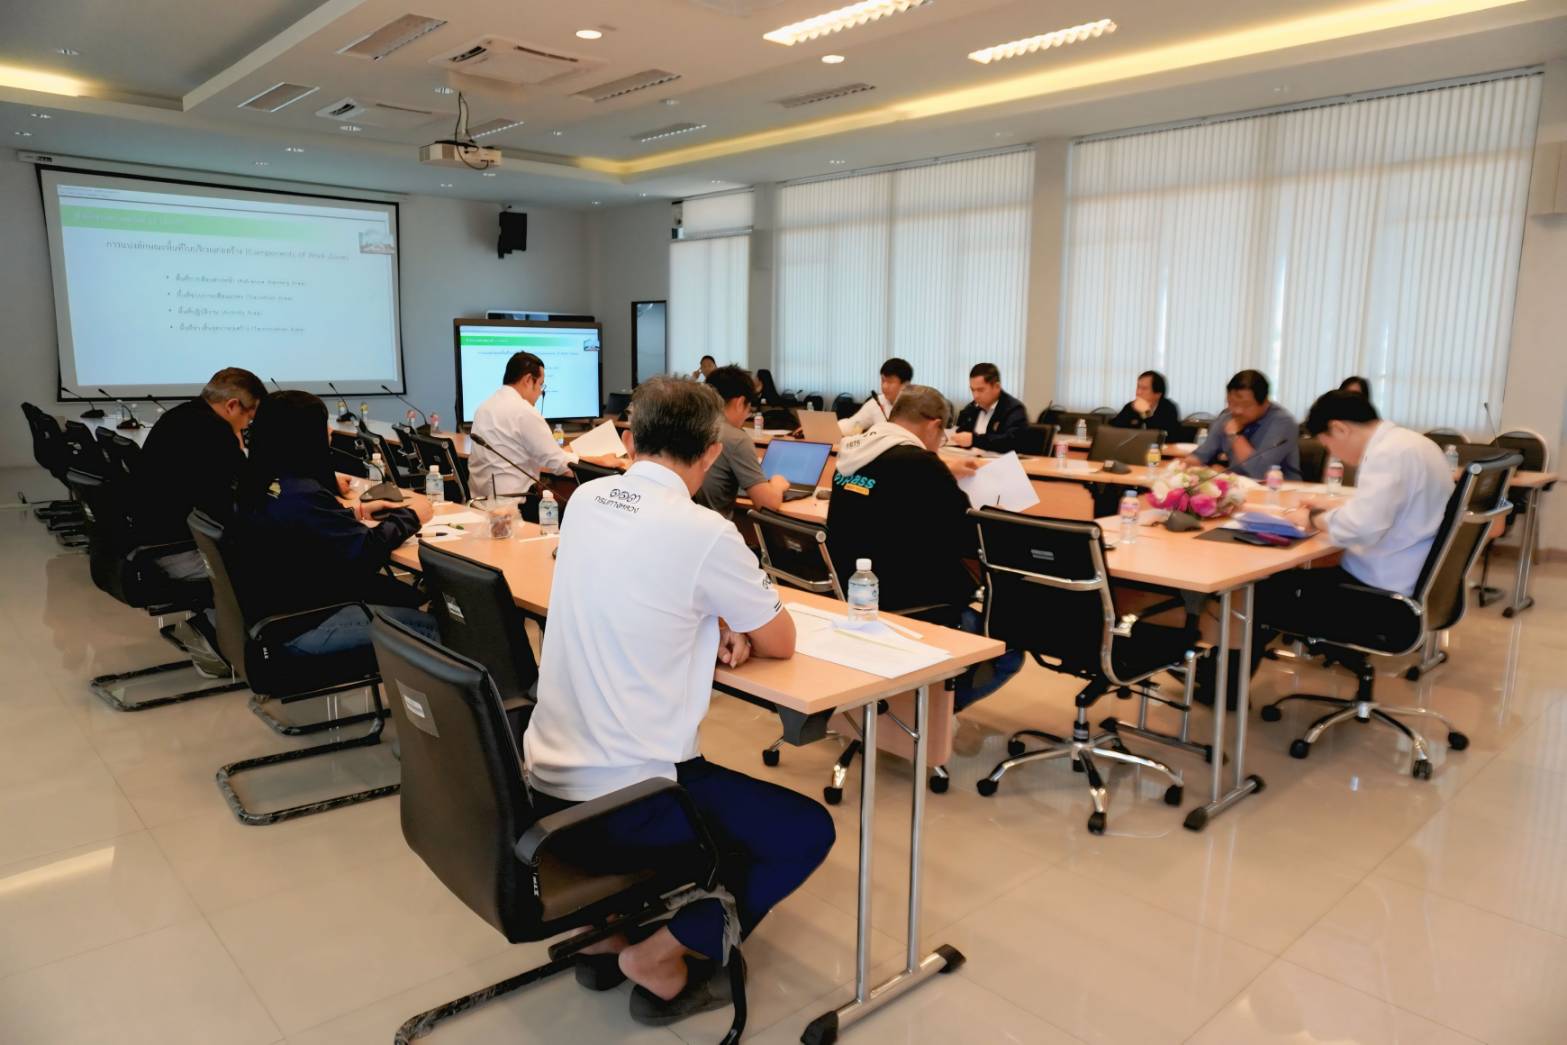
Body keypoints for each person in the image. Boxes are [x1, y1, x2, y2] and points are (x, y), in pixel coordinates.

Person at [523, 376, 834, 1025]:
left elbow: (635, 587)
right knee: (804, 830)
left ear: (630, 439)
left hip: (545, 783)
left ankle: (604, 933)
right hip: (631, 798)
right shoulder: (704, 531)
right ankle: (661, 954)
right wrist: (731, 619)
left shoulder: (585, 499)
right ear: (713, 450)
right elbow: (779, 640)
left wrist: (712, 617)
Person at [1199, 391, 1454, 705]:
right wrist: (1331, 508)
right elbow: (1388, 510)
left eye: (1328, 444)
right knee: (1280, 584)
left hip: (1381, 598)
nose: (1333, 454)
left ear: (1339, 428)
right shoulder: (1415, 444)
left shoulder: (1387, 454)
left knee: (1256, 592)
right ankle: (1219, 682)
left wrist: (1312, 518)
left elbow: (1362, 527)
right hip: (1413, 584)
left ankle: (1221, 692)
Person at [828, 384, 1023, 709]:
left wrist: (943, 472)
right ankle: (932, 715)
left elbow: (892, 489)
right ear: (934, 425)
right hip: (911, 600)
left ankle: (910, 710)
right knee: (1009, 649)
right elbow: (967, 536)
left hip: (854, 593)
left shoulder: (854, 453)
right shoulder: (921, 465)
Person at [236, 391, 437, 661]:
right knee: (439, 629)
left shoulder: (263, 481)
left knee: (406, 596)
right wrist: (411, 516)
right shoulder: (302, 493)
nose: (330, 431)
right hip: (303, 624)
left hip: (280, 611)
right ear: (301, 436)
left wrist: (355, 512)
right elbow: (365, 553)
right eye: (322, 425)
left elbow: (301, 527)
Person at [132, 367, 266, 581]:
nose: (247, 425)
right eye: (249, 418)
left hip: (151, 542)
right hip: (179, 552)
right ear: (232, 406)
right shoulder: (216, 431)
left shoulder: (178, 415)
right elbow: (246, 488)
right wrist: (240, 447)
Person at [468, 351, 572, 502]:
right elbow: (559, 464)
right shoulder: (524, 411)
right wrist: (594, 462)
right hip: (514, 506)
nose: (540, 392)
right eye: (540, 384)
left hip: (478, 502)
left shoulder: (484, 407)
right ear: (528, 380)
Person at [695, 365, 789, 520]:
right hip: (715, 529)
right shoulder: (736, 439)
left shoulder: (690, 426)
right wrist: (777, 484)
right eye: (748, 408)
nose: (747, 415)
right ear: (740, 403)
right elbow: (767, 505)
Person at [1185, 369, 1301, 480]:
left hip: (1281, 489)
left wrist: (1235, 435)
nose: (1237, 411)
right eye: (1231, 403)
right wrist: (1183, 468)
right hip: (1239, 486)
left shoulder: (1283, 423)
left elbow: (1260, 472)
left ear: (1265, 402)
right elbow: (1201, 456)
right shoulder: (1227, 418)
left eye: (1245, 405)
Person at [951, 363, 1029, 453]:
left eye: (980, 390)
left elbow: (1011, 441)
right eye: (972, 390)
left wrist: (974, 440)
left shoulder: (1014, 409)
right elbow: (961, 432)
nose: (975, 396)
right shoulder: (972, 408)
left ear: (997, 387)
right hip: (969, 458)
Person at [839, 357, 913, 435]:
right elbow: (852, 425)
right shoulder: (877, 402)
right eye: (883, 381)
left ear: (906, 384)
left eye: (890, 382)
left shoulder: (917, 406)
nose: (884, 386)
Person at [1110, 370, 1181, 434]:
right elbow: (1114, 428)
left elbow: (1163, 435)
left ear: (1158, 394)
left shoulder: (1168, 408)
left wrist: (1146, 413)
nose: (1138, 392)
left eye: (1144, 388)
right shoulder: (1130, 406)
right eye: (1138, 387)